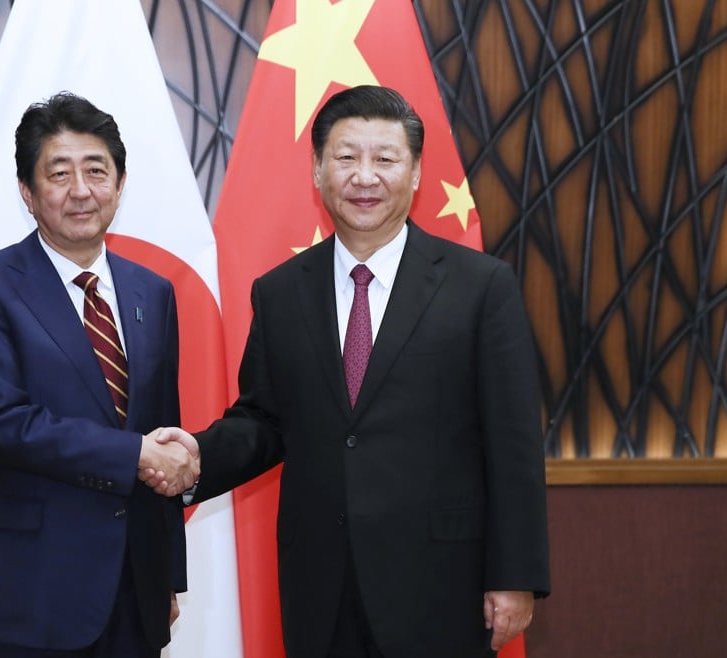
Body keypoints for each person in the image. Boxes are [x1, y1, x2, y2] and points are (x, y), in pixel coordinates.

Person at [146, 85, 550, 657]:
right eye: (346, 157)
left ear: (414, 173)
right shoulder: (282, 292)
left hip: (441, 582)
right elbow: (265, 420)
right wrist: (194, 459)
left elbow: (514, 443)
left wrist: (516, 574)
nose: (365, 176)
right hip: (321, 581)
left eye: (385, 159)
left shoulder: (480, 287)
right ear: (316, 171)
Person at [0, 91, 198, 658]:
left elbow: (163, 432)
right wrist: (133, 454)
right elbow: (5, 424)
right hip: (28, 593)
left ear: (120, 182)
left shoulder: (152, 292)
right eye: (58, 173)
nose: (80, 191)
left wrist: (167, 577)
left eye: (96, 171)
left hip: (135, 591)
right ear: (27, 192)